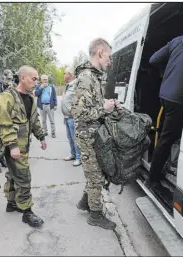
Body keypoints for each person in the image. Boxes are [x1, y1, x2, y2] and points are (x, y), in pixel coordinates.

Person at [146, 25, 183, 188]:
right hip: (180, 97)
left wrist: (167, 70)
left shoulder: (177, 40)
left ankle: (167, 165)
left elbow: (153, 59)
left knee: (168, 134)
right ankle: (153, 178)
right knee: (167, 137)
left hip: (165, 93)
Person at [72, 38, 121, 230]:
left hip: (93, 135)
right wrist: (104, 108)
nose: (110, 61)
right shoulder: (86, 77)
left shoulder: (94, 76)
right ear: (100, 52)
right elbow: (80, 113)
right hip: (87, 136)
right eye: (109, 56)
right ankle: (95, 215)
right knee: (95, 178)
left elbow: (92, 106)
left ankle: (85, 202)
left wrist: (107, 105)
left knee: (96, 174)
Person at [0, 65, 46, 227]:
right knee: (24, 177)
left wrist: (41, 137)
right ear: (22, 78)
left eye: (37, 79)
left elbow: (35, 120)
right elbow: (5, 123)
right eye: (34, 78)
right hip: (14, 146)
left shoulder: (31, 98)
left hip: (23, 146)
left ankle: (12, 203)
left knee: (13, 174)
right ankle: (27, 211)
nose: (36, 82)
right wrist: (12, 146)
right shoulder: (7, 97)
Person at [61, 67, 81, 167]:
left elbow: (80, 101)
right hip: (67, 117)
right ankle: (73, 154)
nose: (63, 75)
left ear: (71, 75)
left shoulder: (76, 85)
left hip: (72, 117)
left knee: (75, 138)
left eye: (65, 73)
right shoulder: (68, 86)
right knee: (70, 138)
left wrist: (75, 114)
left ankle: (78, 158)